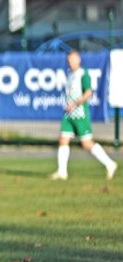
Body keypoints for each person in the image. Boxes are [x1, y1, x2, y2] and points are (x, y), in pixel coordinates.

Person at [50, 49, 117, 180]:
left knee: (86, 144)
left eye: (72, 60)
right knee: (63, 140)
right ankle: (62, 172)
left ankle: (110, 164)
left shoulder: (83, 74)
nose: (70, 62)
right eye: (68, 60)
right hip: (69, 115)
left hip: (80, 115)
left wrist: (74, 104)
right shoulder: (70, 75)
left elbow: (88, 93)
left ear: (78, 59)